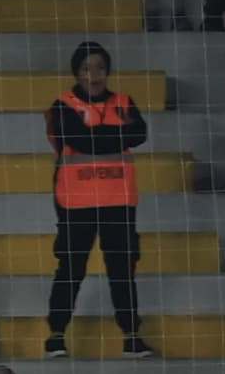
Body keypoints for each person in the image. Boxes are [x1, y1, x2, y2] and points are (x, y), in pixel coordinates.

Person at [42, 39, 158, 357]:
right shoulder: (63, 104)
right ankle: (55, 335)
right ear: (76, 73)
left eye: (100, 68)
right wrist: (112, 137)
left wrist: (96, 138)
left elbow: (140, 134)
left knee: (122, 269)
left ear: (108, 71)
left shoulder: (123, 101)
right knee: (71, 268)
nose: (94, 75)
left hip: (118, 201)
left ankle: (131, 335)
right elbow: (78, 139)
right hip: (76, 202)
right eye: (86, 69)